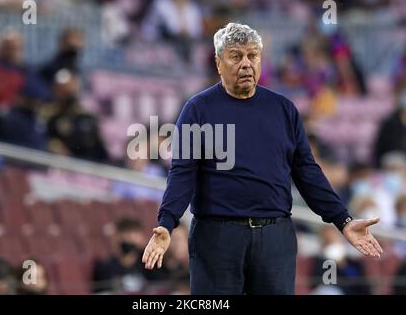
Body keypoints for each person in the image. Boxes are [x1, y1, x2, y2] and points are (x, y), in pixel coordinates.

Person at [142, 22, 383, 295]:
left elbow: (307, 172)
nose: (246, 63)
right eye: (236, 56)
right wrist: (167, 223)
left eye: (252, 55)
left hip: (275, 238)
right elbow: (182, 173)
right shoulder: (198, 109)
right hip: (217, 238)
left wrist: (343, 220)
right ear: (219, 63)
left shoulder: (283, 109)